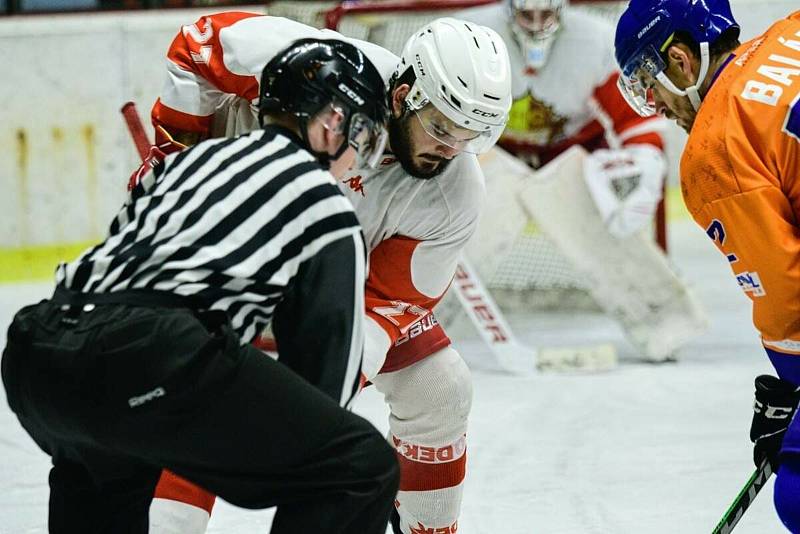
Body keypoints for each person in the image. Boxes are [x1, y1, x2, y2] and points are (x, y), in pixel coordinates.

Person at [1, 37, 399, 533]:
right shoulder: (325, 205)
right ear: (332, 122)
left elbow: (124, 262)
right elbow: (324, 395)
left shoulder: (185, 165)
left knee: (115, 462)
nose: (356, 160)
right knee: (359, 468)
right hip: (146, 354)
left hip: (37, 355)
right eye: (361, 136)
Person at [136, 12, 512, 534]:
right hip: (230, 248)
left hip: (329, 287)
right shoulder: (325, 70)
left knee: (439, 388)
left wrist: (306, 400)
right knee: (202, 387)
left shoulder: (457, 195)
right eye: (442, 127)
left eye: (470, 135)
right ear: (403, 95)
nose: (450, 150)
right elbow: (202, 43)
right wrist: (175, 147)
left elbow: (379, 311)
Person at [614, 0, 800, 530]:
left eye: (648, 80)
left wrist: (791, 387)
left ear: (680, 60)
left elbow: (790, 301)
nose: (654, 104)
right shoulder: (791, 29)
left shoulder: (715, 148)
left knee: (797, 490)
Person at [456, 0, 667, 239]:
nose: (536, 25)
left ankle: (631, 274)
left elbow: (634, 118)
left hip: (570, 153)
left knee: (611, 191)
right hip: (493, 151)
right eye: (527, 15)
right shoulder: (469, 33)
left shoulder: (597, 41)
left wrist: (644, 164)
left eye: (545, 13)